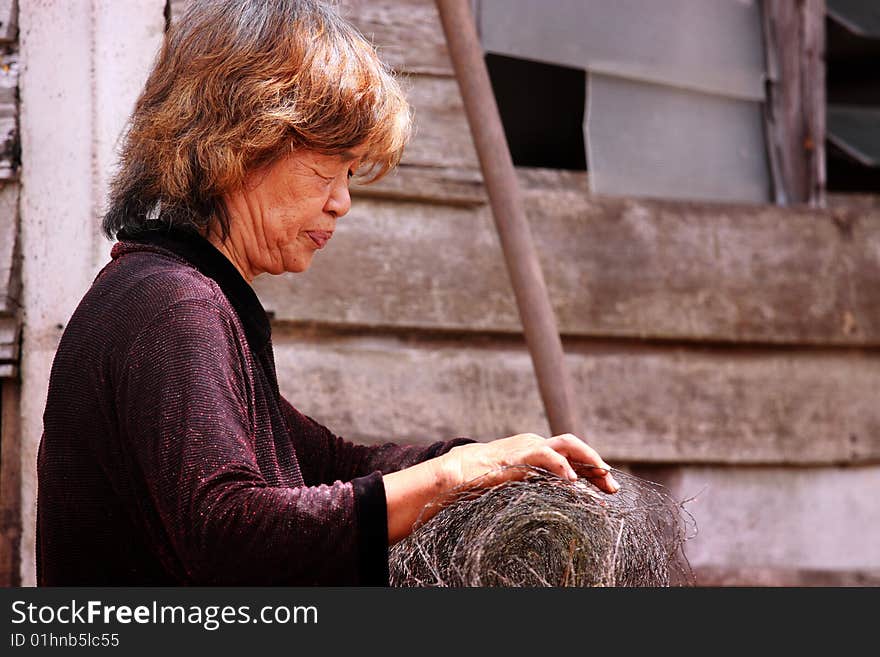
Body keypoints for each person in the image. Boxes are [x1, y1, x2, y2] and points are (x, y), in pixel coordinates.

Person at [36, 0, 618, 586]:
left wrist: (489, 462)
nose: (342, 201)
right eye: (327, 170)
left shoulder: (171, 290)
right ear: (238, 146)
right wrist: (450, 478)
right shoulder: (171, 306)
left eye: (350, 174)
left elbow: (330, 464)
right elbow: (231, 533)